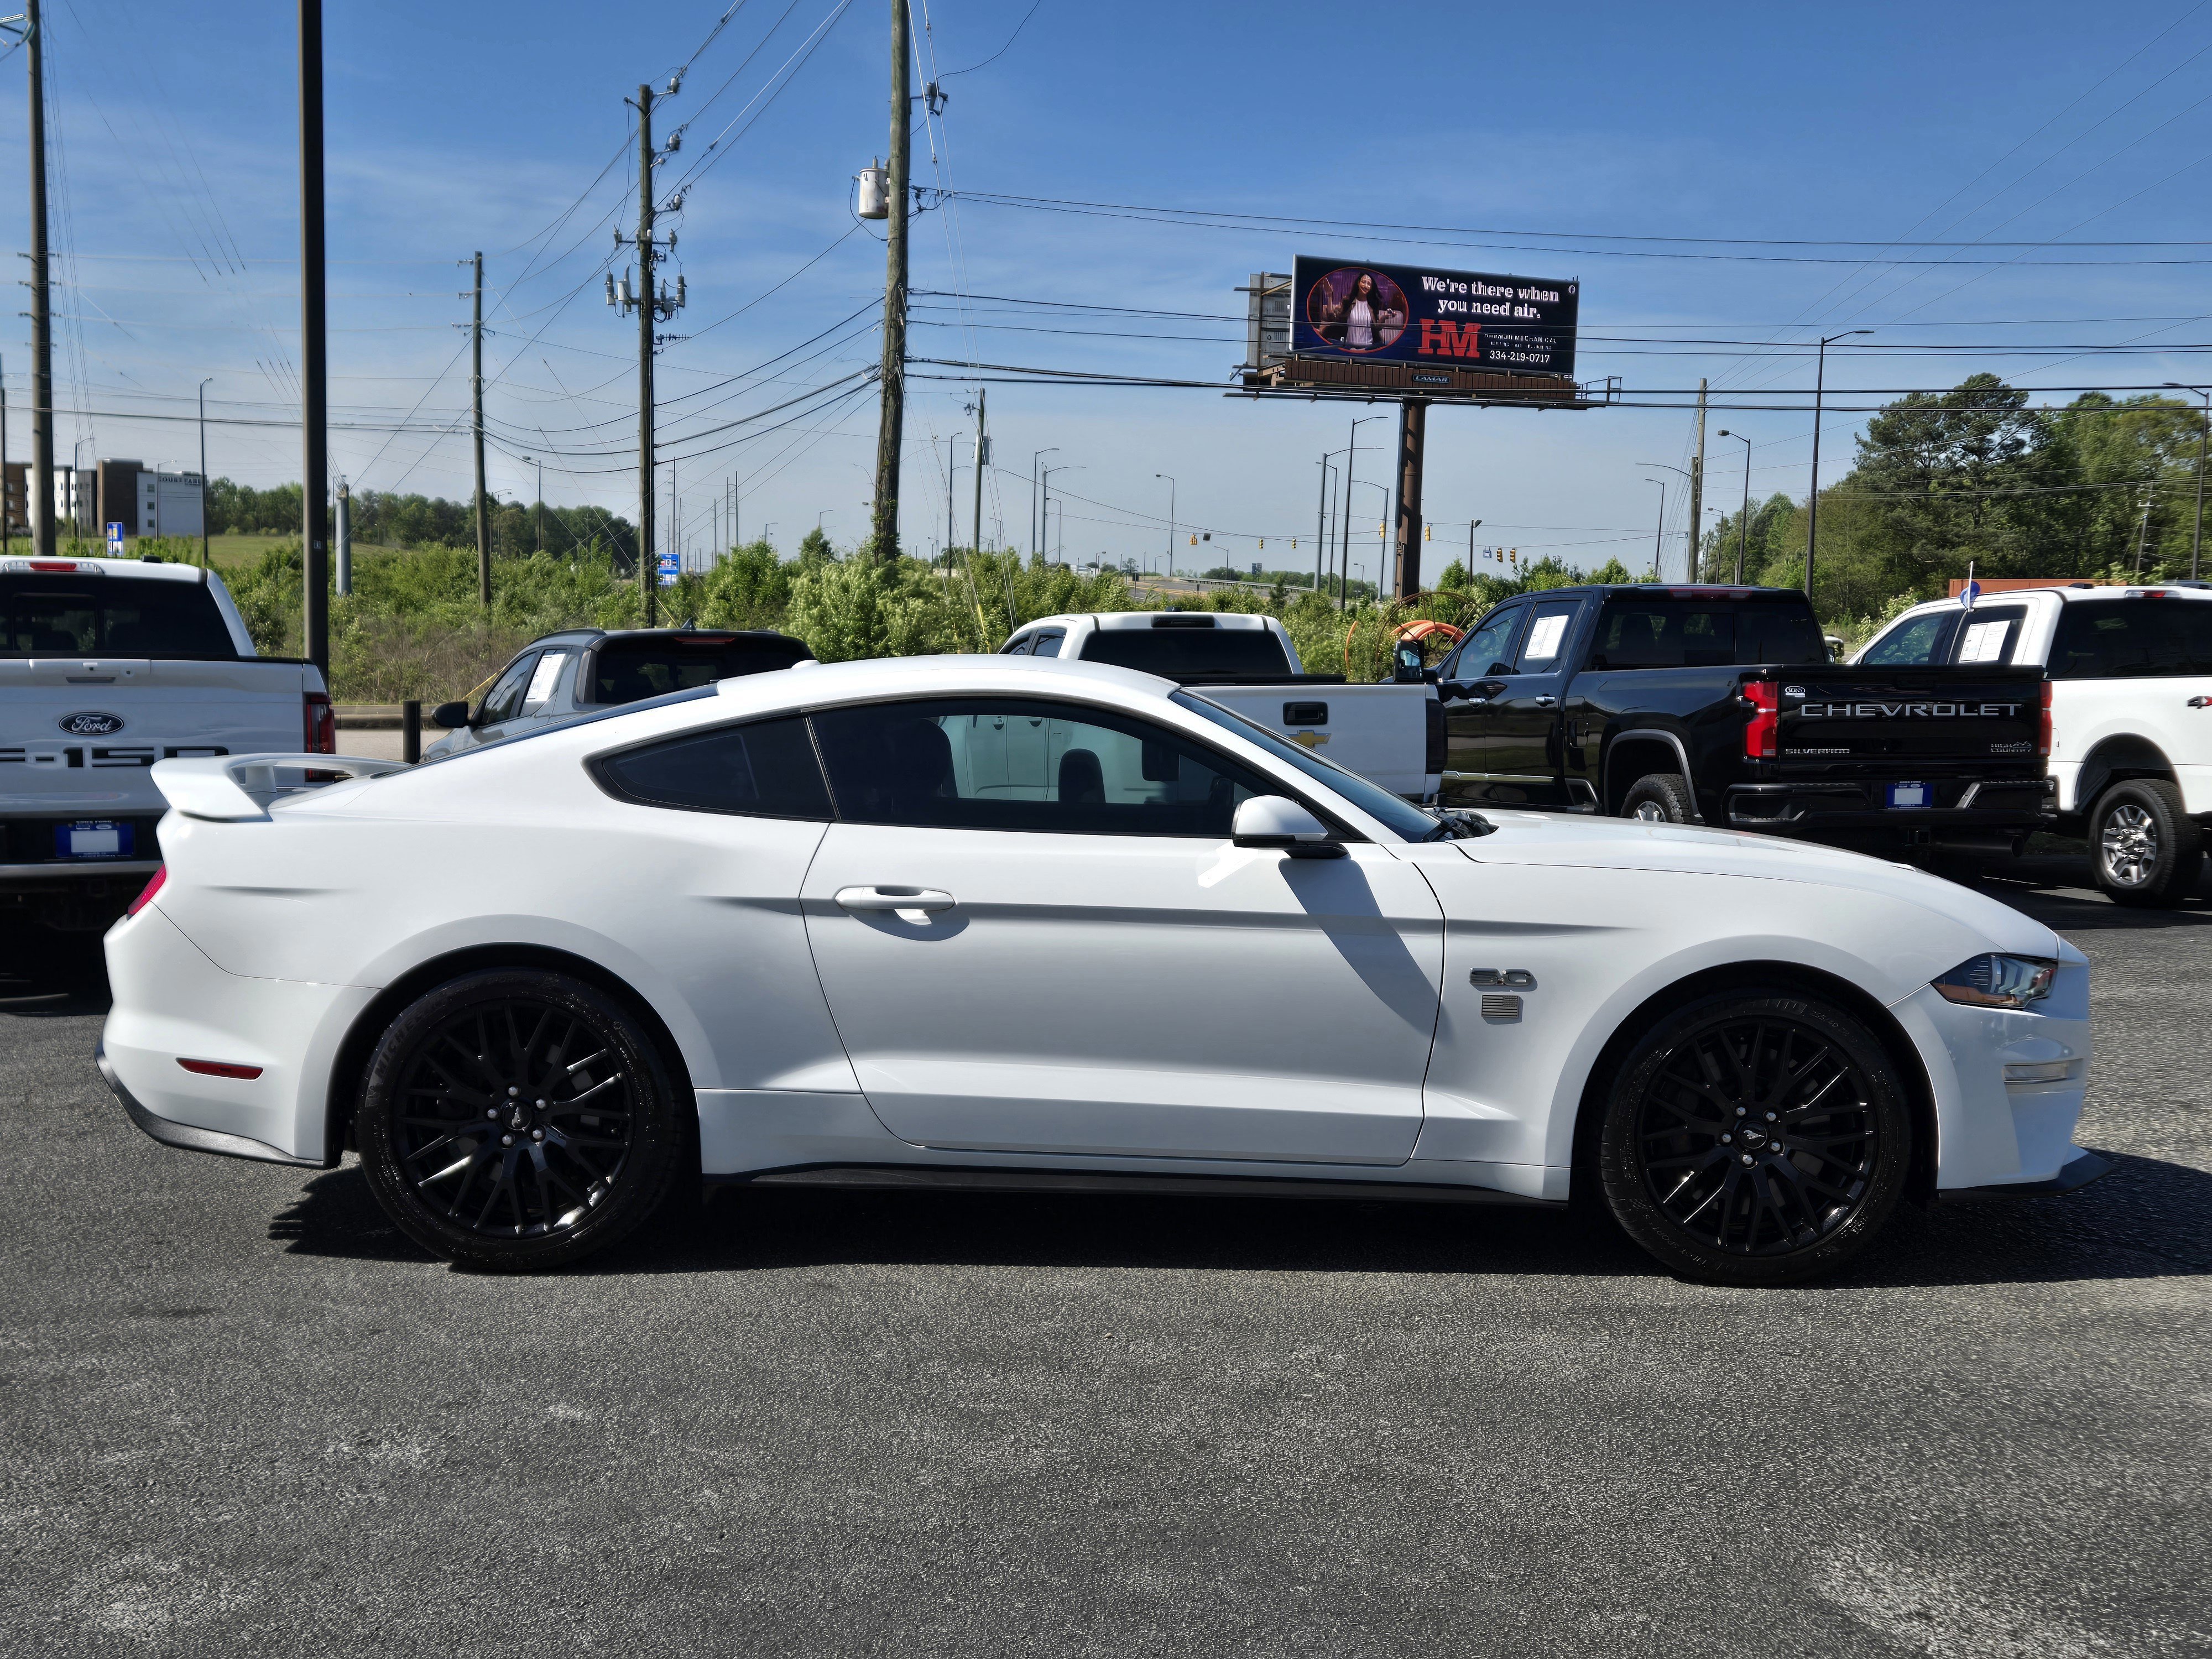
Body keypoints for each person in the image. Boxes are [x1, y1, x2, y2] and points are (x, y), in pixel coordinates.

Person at [1313, 270, 1404, 351]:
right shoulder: (1347, 301)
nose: (1366, 286)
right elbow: (1332, 317)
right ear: (1358, 283)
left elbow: (1377, 328)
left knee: (1387, 345)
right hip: (1349, 347)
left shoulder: (1373, 304)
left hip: (1369, 349)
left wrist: (1384, 318)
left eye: (1369, 284)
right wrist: (1329, 296)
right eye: (1364, 282)